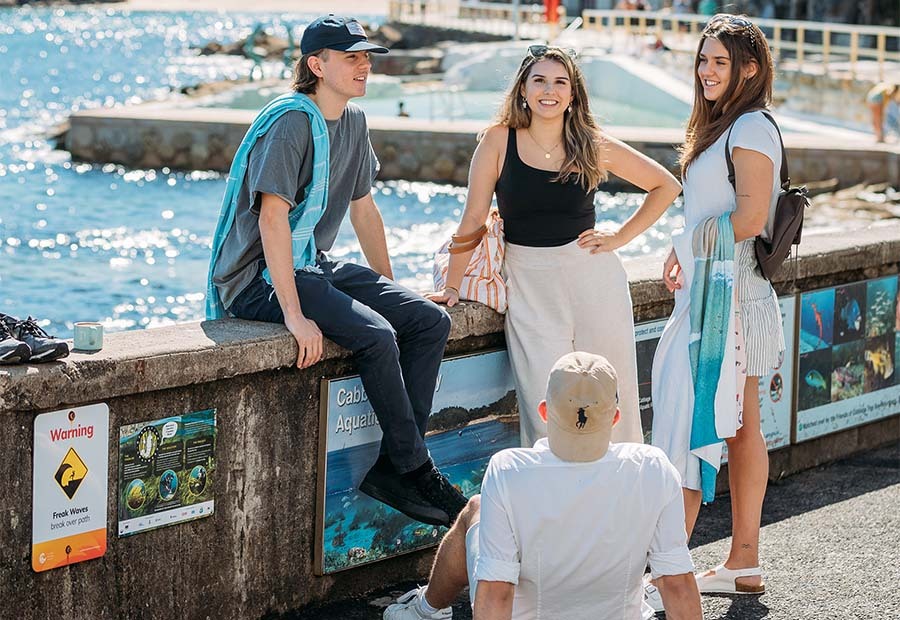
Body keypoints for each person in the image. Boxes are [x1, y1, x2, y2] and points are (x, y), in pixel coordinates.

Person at [206, 14, 467, 527]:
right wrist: (294, 317)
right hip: (260, 279)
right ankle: (416, 468)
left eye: (366, 56)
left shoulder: (354, 123)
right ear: (316, 65)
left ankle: (396, 465)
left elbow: (364, 209)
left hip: (312, 265)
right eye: (352, 57)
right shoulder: (289, 125)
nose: (365, 65)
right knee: (376, 335)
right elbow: (273, 220)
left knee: (427, 321)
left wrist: (392, 287)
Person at [428, 45, 681, 449]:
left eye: (560, 82)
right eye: (540, 80)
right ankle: (557, 507)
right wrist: (453, 287)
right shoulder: (497, 141)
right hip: (528, 283)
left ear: (573, 94)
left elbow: (666, 185)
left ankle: (619, 505)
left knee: (612, 402)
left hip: (595, 280)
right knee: (544, 405)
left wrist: (619, 238)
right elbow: (473, 220)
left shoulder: (590, 143)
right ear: (523, 90)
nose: (550, 90)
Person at [383, 352, 703, 620]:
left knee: (476, 509)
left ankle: (426, 610)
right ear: (615, 417)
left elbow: (497, 593)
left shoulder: (508, 470)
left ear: (545, 411)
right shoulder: (653, 468)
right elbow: (677, 585)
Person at [650, 14, 785, 605]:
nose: (706, 71)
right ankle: (740, 562)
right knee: (736, 427)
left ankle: (703, 564)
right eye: (702, 60)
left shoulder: (750, 126)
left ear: (749, 70)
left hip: (733, 296)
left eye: (719, 62)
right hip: (718, 290)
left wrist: (684, 248)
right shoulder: (726, 126)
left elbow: (752, 220)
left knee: (717, 424)